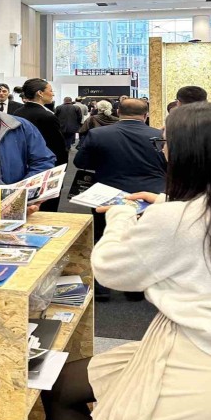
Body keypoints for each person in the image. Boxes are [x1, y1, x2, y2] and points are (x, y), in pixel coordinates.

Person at [41, 102, 211, 420]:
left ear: (191, 152)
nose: (164, 151)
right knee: (60, 388)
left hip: (195, 360)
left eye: (165, 142)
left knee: (69, 398)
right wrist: (161, 203)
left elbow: (110, 270)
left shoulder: (178, 220)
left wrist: (120, 215)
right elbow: (202, 224)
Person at [75, 98, 166, 302]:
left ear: (118, 111)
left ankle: (101, 288)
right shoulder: (159, 136)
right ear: (146, 115)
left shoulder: (98, 134)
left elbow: (80, 162)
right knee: (143, 240)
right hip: (150, 196)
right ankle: (135, 289)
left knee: (101, 237)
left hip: (107, 195)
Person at [13, 78, 66, 212]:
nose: (53, 94)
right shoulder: (48, 117)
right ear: (40, 93)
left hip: (22, 168)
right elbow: (58, 149)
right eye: (50, 90)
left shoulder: (17, 113)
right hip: (46, 170)